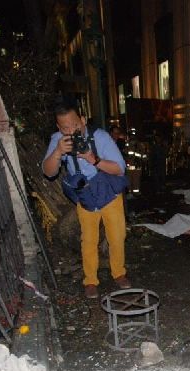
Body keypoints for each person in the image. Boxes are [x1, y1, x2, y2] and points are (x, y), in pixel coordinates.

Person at [42, 99, 131, 299]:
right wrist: (57, 152)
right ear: (58, 127)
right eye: (65, 127)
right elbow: (48, 172)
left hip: (109, 194)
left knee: (117, 237)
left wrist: (94, 160)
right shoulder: (58, 140)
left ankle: (119, 273)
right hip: (86, 196)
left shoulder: (100, 137)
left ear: (82, 120)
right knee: (88, 240)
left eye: (74, 124)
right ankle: (90, 280)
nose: (71, 130)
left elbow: (120, 169)